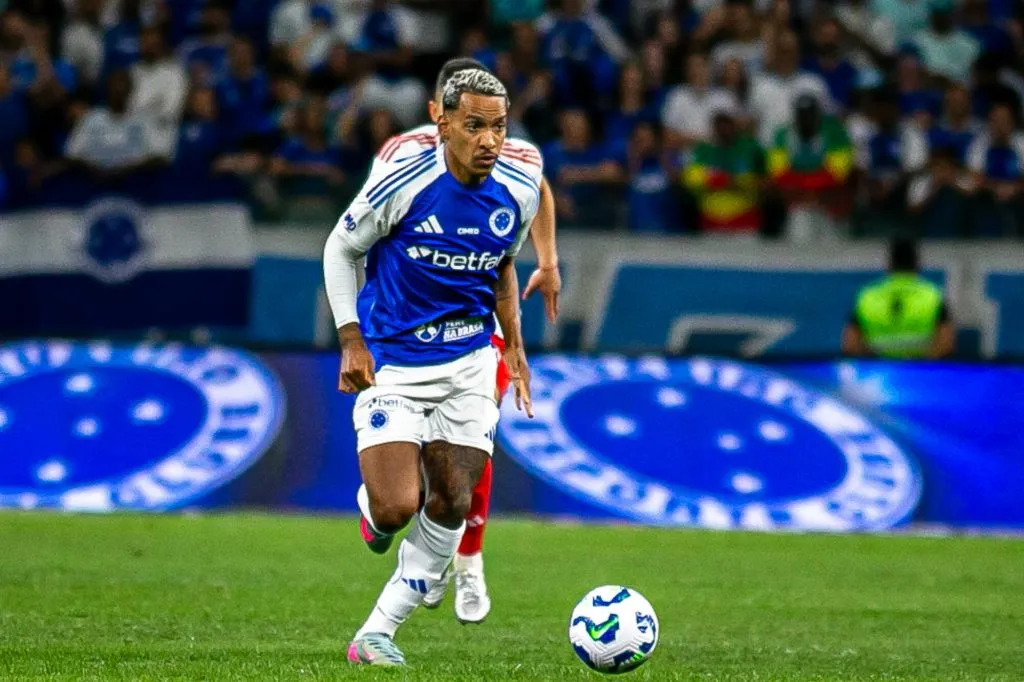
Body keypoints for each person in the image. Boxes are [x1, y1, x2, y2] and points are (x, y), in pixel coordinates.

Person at [323, 68, 540, 667]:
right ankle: (376, 513)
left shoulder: (519, 190)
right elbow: (340, 249)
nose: (489, 141)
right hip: (393, 361)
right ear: (441, 122)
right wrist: (350, 340)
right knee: (397, 506)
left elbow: (500, 270)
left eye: (498, 127)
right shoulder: (404, 182)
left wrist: (514, 348)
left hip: (470, 362)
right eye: (474, 126)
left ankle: (375, 634)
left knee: (451, 501)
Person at [842, 239, 955, 359]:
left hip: (880, 373)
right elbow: (946, 343)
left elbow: (851, 345)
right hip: (919, 373)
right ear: (917, 263)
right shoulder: (932, 295)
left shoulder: (867, 297)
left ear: (889, 264)